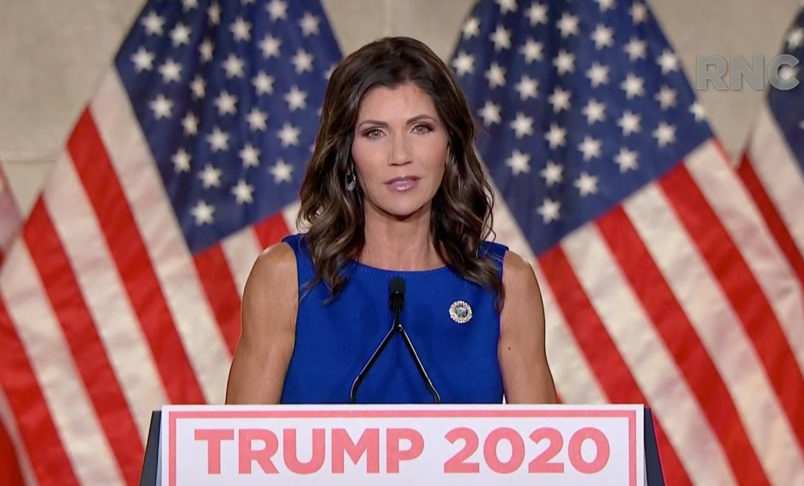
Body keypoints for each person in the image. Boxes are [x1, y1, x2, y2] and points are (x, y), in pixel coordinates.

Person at [225, 36, 556, 405]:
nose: (400, 155)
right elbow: (239, 441)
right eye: (374, 133)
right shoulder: (285, 277)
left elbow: (541, 442)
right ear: (347, 153)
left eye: (421, 128)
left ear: (450, 143)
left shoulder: (507, 283)